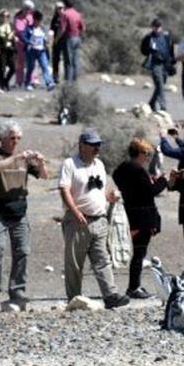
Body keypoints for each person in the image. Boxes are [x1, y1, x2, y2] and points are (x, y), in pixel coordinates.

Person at [58, 128, 129, 308]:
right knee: (75, 262)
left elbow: (99, 189)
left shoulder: (99, 164)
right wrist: (75, 212)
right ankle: (74, 297)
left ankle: (111, 295)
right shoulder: (70, 164)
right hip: (78, 220)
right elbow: (64, 189)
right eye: (93, 145)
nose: (97, 148)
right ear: (82, 145)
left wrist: (109, 197)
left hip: (99, 219)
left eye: (98, 145)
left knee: (102, 259)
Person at [0, 120, 47, 305]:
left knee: (22, 250)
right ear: (2, 138)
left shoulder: (24, 159)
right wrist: (16, 158)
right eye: (12, 138)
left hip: (19, 208)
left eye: (18, 138)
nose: (16, 142)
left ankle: (17, 289)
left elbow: (44, 176)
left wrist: (41, 163)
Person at [111, 138, 168, 298]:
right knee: (139, 253)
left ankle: (133, 286)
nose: (148, 157)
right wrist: (164, 181)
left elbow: (135, 187)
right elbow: (150, 191)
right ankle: (134, 287)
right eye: (147, 153)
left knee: (137, 252)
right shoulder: (138, 169)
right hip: (143, 217)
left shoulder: (122, 169)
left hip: (130, 212)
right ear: (140, 153)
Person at [140, 18, 176, 112]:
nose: (157, 28)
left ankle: (152, 103)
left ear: (161, 27)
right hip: (155, 64)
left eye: (158, 26)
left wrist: (172, 62)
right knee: (159, 84)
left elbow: (171, 50)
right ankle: (163, 107)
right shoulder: (148, 38)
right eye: (155, 26)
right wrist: (151, 51)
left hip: (165, 64)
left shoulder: (166, 36)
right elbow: (143, 50)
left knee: (161, 85)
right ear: (152, 27)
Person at [23, 10, 55, 91]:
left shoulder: (42, 29)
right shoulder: (29, 28)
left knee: (45, 66)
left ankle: (49, 83)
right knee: (31, 67)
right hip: (31, 51)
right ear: (34, 20)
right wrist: (28, 42)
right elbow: (23, 36)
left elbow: (45, 39)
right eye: (38, 20)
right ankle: (28, 83)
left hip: (41, 51)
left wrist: (48, 41)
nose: (39, 22)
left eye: (40, 20)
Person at [59, 0, 85, 82]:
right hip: (77, 38)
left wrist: (57, 38)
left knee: (68, 61)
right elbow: (83, 28)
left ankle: (68, 82)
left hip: (69, 38)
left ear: (65, 5)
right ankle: (74, 81)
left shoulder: (65, 14)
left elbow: (62, 29)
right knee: (75, 61)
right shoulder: (78, 14)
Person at [0, 10, 16, 91]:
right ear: (0, 17)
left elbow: (12, 36)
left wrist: (14, 44)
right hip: (1, 49)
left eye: (7, 16)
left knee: (13, 68)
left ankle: (5, 81)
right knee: (1, 68)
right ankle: (1, 85)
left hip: (10, 49)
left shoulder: (10, 25)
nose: (5, 18)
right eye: (4, 16)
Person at [13, 0, 34, 89]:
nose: (29, 11)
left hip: (31, 43)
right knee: (20, 63)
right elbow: (20, 31)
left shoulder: (31, 17)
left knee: (31, 62)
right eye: (28, 9)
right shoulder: (18, 18)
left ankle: (32, 80)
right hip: (21, 44)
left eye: (30, 9)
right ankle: (19, 81)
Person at [50, 2, 67, 81]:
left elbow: (63, 29)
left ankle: (67, 77)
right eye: (58, 8)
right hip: (56, 41)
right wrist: (52, 39)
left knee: (66, 59)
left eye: (61, 8)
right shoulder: (55, 18)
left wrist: (56, 38)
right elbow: (51, 29)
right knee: (55, 59)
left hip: (64, 41)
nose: (59, 10)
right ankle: (55, 77)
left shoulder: (65, 16)